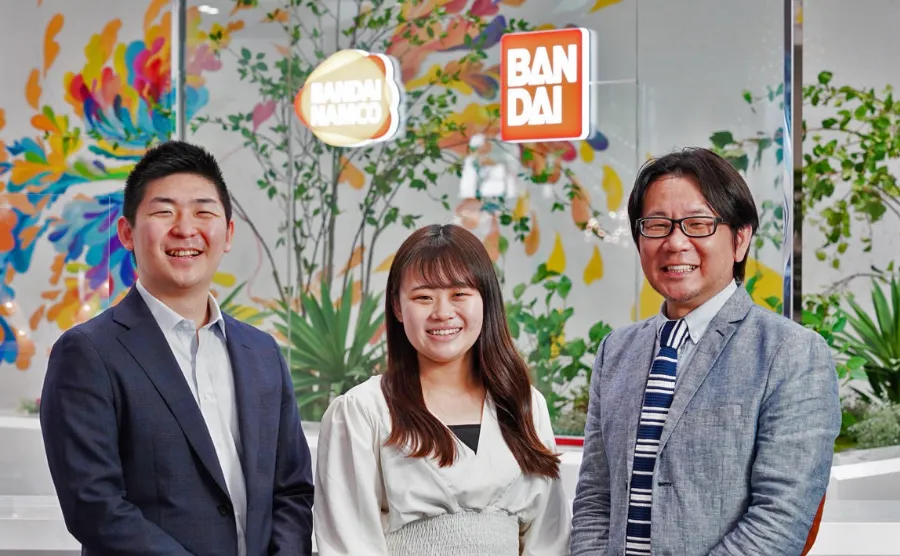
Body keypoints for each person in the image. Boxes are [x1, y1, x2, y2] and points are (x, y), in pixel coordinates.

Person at [39, 141, 315, 556]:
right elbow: (95, 507)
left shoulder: (262, 352)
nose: (186, 229)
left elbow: (291, 490)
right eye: (164, 212)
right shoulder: (87, 353)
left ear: (227, 234)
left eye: (204, 212)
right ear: (127, 233)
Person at [570, 147, 841, 556]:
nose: (676, 242)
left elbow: (780, 519)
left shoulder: (791, 353)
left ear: (740, 239)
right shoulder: (616, 351)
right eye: (657, 225)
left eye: (698, 224)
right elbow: (595, 498)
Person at [313, 224, 571, 555]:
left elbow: (550, 541)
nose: (443, 313)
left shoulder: (525, 406)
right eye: (423, 297)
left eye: (459, 294)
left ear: (486, 300)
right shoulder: (362, 412)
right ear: (397, 307)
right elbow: (349, 546)